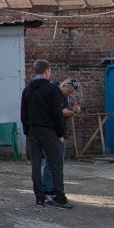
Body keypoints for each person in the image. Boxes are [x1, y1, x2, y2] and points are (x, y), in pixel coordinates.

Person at [20, 59, 71, 208]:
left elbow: (23, 114)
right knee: (56, 164)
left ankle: (39, 197)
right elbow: (56, 114)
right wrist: (60, 134)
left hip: (33, 131)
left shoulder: (27, 90)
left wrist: (27, 132)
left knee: (35, 166)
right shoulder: (51, 90)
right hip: (49, 131)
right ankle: (59, 197)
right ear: (47, 71)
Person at [42, 78, 81, 197]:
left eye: (70, 93)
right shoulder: (53, 92)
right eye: (68, 92)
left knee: (57, 163)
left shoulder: (62, 95)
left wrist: (72, 112)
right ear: (64, 85)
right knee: (52, 163)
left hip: (59, 133)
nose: (67, 95)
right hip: (53, 134)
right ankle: (49, 191)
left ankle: (53, 189)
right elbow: (52, 113)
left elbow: (61, 115)